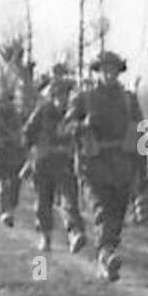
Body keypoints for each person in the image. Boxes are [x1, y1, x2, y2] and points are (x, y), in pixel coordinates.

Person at [67, 51, 146, 281]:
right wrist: (83, 125)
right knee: (101, 209)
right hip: (94, 165)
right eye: (105, 70)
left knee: (118, 213)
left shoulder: (129, 100)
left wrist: (142, 173)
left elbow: (140, 134)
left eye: (113, 70)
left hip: (122, 165)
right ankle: (106, 254)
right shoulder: (84, 98)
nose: (109, 74)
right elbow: (66, 127)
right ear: (98, 71)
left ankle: (107, 252)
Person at [22, 66, 87, 254]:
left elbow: (85, 132)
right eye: (58, 95)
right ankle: (45, 236)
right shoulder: (42, 111)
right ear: (52, 96)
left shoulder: (75, 112)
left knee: (70, 201)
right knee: (43, 202)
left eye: (65, 95)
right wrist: (29, 154)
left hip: (65, 163)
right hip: (43, 163)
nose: (62, 100)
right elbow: (27, 134)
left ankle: (75, 233)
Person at [0, 88, 27, 227]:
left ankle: (11, 209)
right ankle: (6, 212)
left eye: (5, 102)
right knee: (2, 185)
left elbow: (21, 134)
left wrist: (14, 139)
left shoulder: (17, 117)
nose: (2, 105)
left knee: (15, 185)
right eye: (0, 102)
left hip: (16, 155)